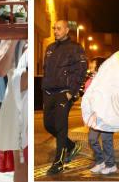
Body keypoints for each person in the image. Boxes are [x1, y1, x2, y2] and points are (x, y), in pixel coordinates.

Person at [42, 20, 88, 175]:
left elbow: (82, 70)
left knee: (61, 128)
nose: (55, 31)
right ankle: (71, 146)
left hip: (64, 93)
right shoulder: (50, 48)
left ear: (67, 30)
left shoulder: (75, 48)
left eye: (59, 28)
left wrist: (71, 92)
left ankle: (59, 162)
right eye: (54, 28)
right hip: (49, 93)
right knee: (48, 125)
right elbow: (46, 70)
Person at [0, 40, 28, 182]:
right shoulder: (12, 39)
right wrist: (8, 42)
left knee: (24, 161)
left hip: (22, 100)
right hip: (15, 104)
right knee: (21, 163)